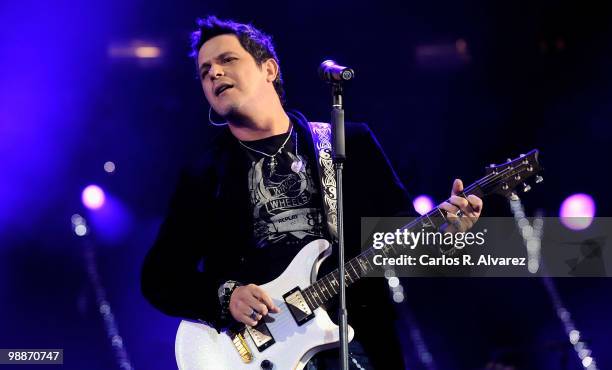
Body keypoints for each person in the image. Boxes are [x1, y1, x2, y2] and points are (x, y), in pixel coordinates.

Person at [141, 15, 483, 369]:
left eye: (227, 60)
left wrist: (444, 233)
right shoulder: (204, 173)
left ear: (269, 69)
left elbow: (393, 233)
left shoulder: (348, 143)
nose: (213, 73)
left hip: (359, 341)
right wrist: (226, 296)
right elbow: (159, 277)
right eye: (204, 70)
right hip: (263, 353)